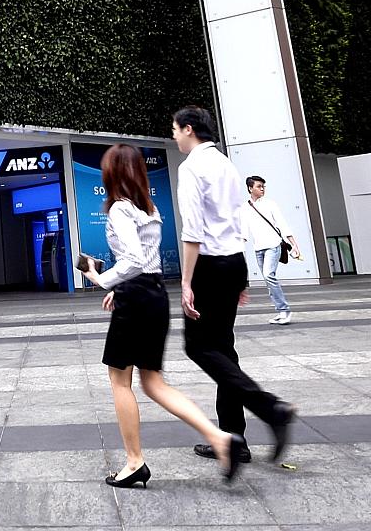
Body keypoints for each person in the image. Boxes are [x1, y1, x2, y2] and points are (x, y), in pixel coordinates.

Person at [81, 145, 241, 487]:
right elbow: (145, 263)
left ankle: (135, 461)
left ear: (113, 174)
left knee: (119, 380)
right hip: (153, 295)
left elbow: (134, 260)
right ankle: (218, 437)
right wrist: (118, 288)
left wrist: (100, 278)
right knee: (152, 382)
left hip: (136, 299)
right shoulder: (149, 210)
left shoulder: (120, 211)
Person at [173, 106, 297, 466]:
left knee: (198, 347)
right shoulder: (227, 165)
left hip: (209, 266)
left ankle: (270, 408)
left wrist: (185, 282)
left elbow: (193, 230)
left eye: (176, 130)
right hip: (232, 263)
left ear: (190, 129)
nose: (175, 136)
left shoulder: (192, 167)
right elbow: (236, 223)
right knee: (223, 350)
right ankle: (234, 439)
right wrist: (241, 276)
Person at [243, 176, 302, 325]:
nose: (262, 189)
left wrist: (294, 244)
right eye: (259, 186)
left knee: (269, 275)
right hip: (258, 249)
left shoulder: (270, 204)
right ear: (250, 188)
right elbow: (243, 231)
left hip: (273, 245)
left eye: (263, 186)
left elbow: (282, 224)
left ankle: (284, 310)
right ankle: (280, 310)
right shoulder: (245, 207)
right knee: (268, 279)